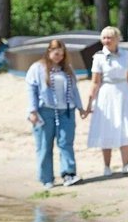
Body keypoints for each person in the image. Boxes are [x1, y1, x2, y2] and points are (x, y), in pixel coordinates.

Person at [86, 26, 128, 175]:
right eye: (104, 38)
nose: (107, 41)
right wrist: (89, 101)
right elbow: (95, 81)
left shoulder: (125, 55)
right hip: (107, 93)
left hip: (123, 92)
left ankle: (126, 163)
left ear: (117, 39)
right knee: (107, 127)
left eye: (110, 38)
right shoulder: (99, 57)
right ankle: (107, 166)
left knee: (125, 127)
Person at [26, 39, 86, 189]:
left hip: (66, 110)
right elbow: (31, 90)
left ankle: (68, 174)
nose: (59, 57)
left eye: (62, 54)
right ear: (49, 52)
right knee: (45, 145)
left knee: (66, 142)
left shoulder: (67, 69)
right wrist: (32, 111)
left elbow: (74, 90)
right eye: (56, 53)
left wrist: (80, 107)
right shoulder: (37, 68)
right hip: (45, 110)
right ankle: (46, 178)